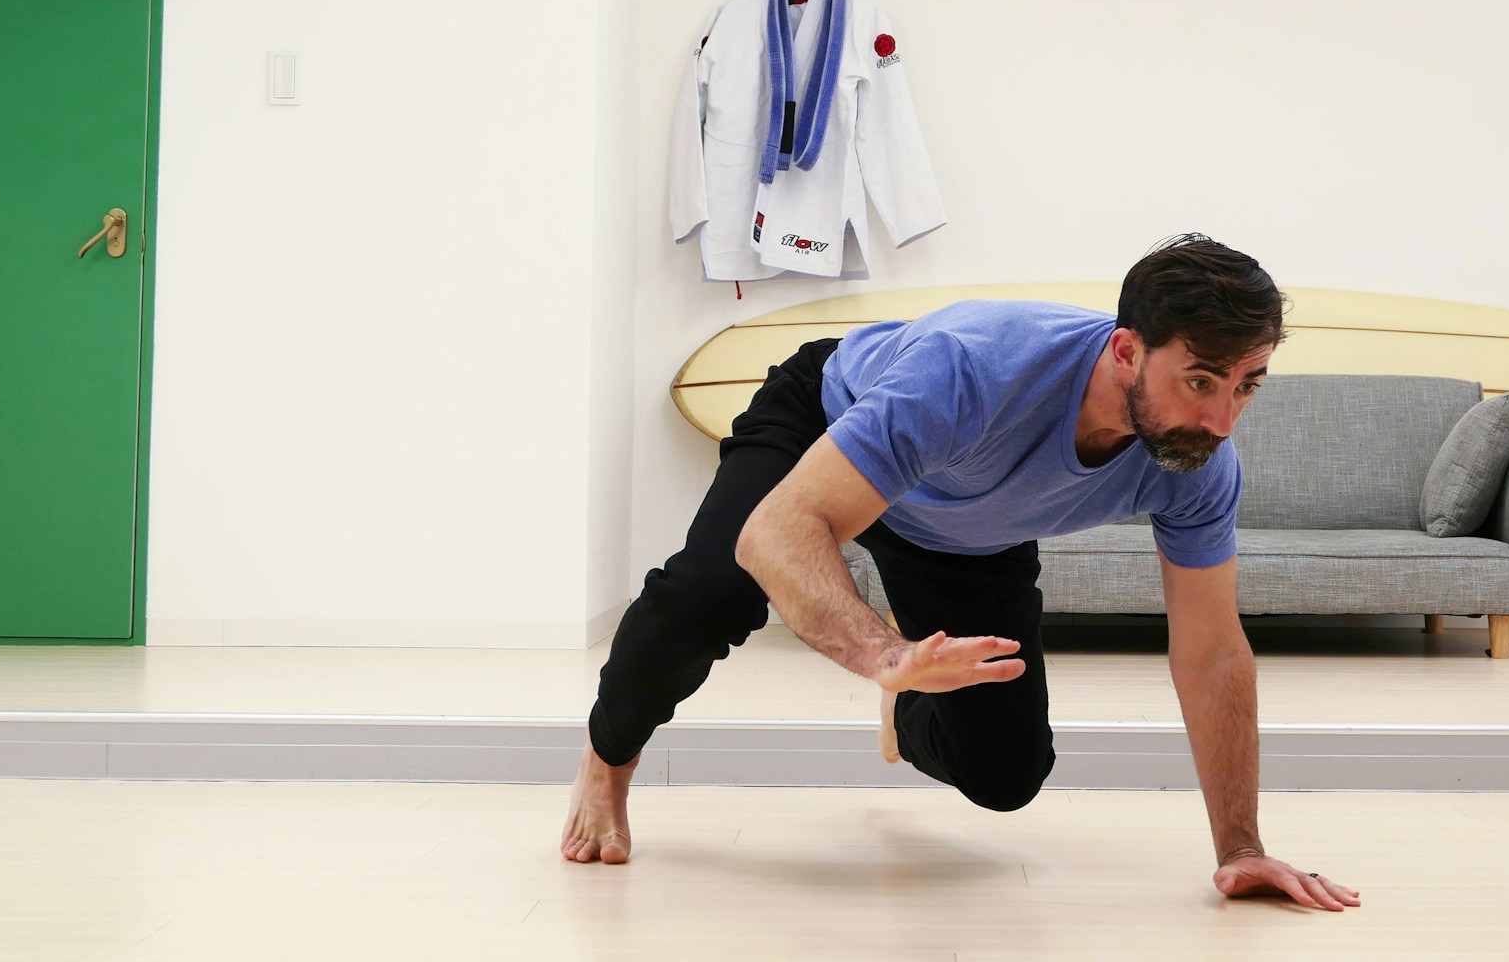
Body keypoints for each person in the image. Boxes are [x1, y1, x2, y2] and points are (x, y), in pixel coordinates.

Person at [561, 234, 1360, 911]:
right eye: (1201, 382)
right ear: (1125, 350)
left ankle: (905, 710)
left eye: (1246, 385)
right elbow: (778, 530)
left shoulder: (1198, 463)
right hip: (830, 421)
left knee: (1008, 775)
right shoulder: (973, 370)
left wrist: (1242, 845)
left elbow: (1212, 649)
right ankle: (606, 762)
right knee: (708, 593)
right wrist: (884, 655)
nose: (1222, 419)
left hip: (969, 527)